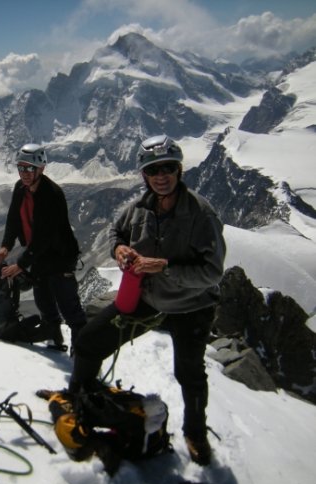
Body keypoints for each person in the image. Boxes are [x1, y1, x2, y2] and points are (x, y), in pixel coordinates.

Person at [69, 135, 226, 466]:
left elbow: (212, 273)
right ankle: (79, 399)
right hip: (150, 299)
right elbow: (116, 231)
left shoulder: (201, 214)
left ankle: (195, 433)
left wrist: (165, 267)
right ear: (144, 175)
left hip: (191, 306)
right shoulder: (139, 209)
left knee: (190, 374)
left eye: (168, 168)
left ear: (179, 170)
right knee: (88, 341)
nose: (161, 176)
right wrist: (118, 248)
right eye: (153, 169)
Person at [0, 143, 87, 349]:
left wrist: (20, 264)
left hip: (60, 257)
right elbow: (13, 220)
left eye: (29, 168)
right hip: (38, 255)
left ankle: (82, 353)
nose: (25, 173)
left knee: (68, 305)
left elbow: (45, 236)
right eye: (21, 168)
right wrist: (5, 245)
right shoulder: (20, 189)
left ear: (41, 169)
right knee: (43, 299)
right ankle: (54, 336)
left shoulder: (51, 194)